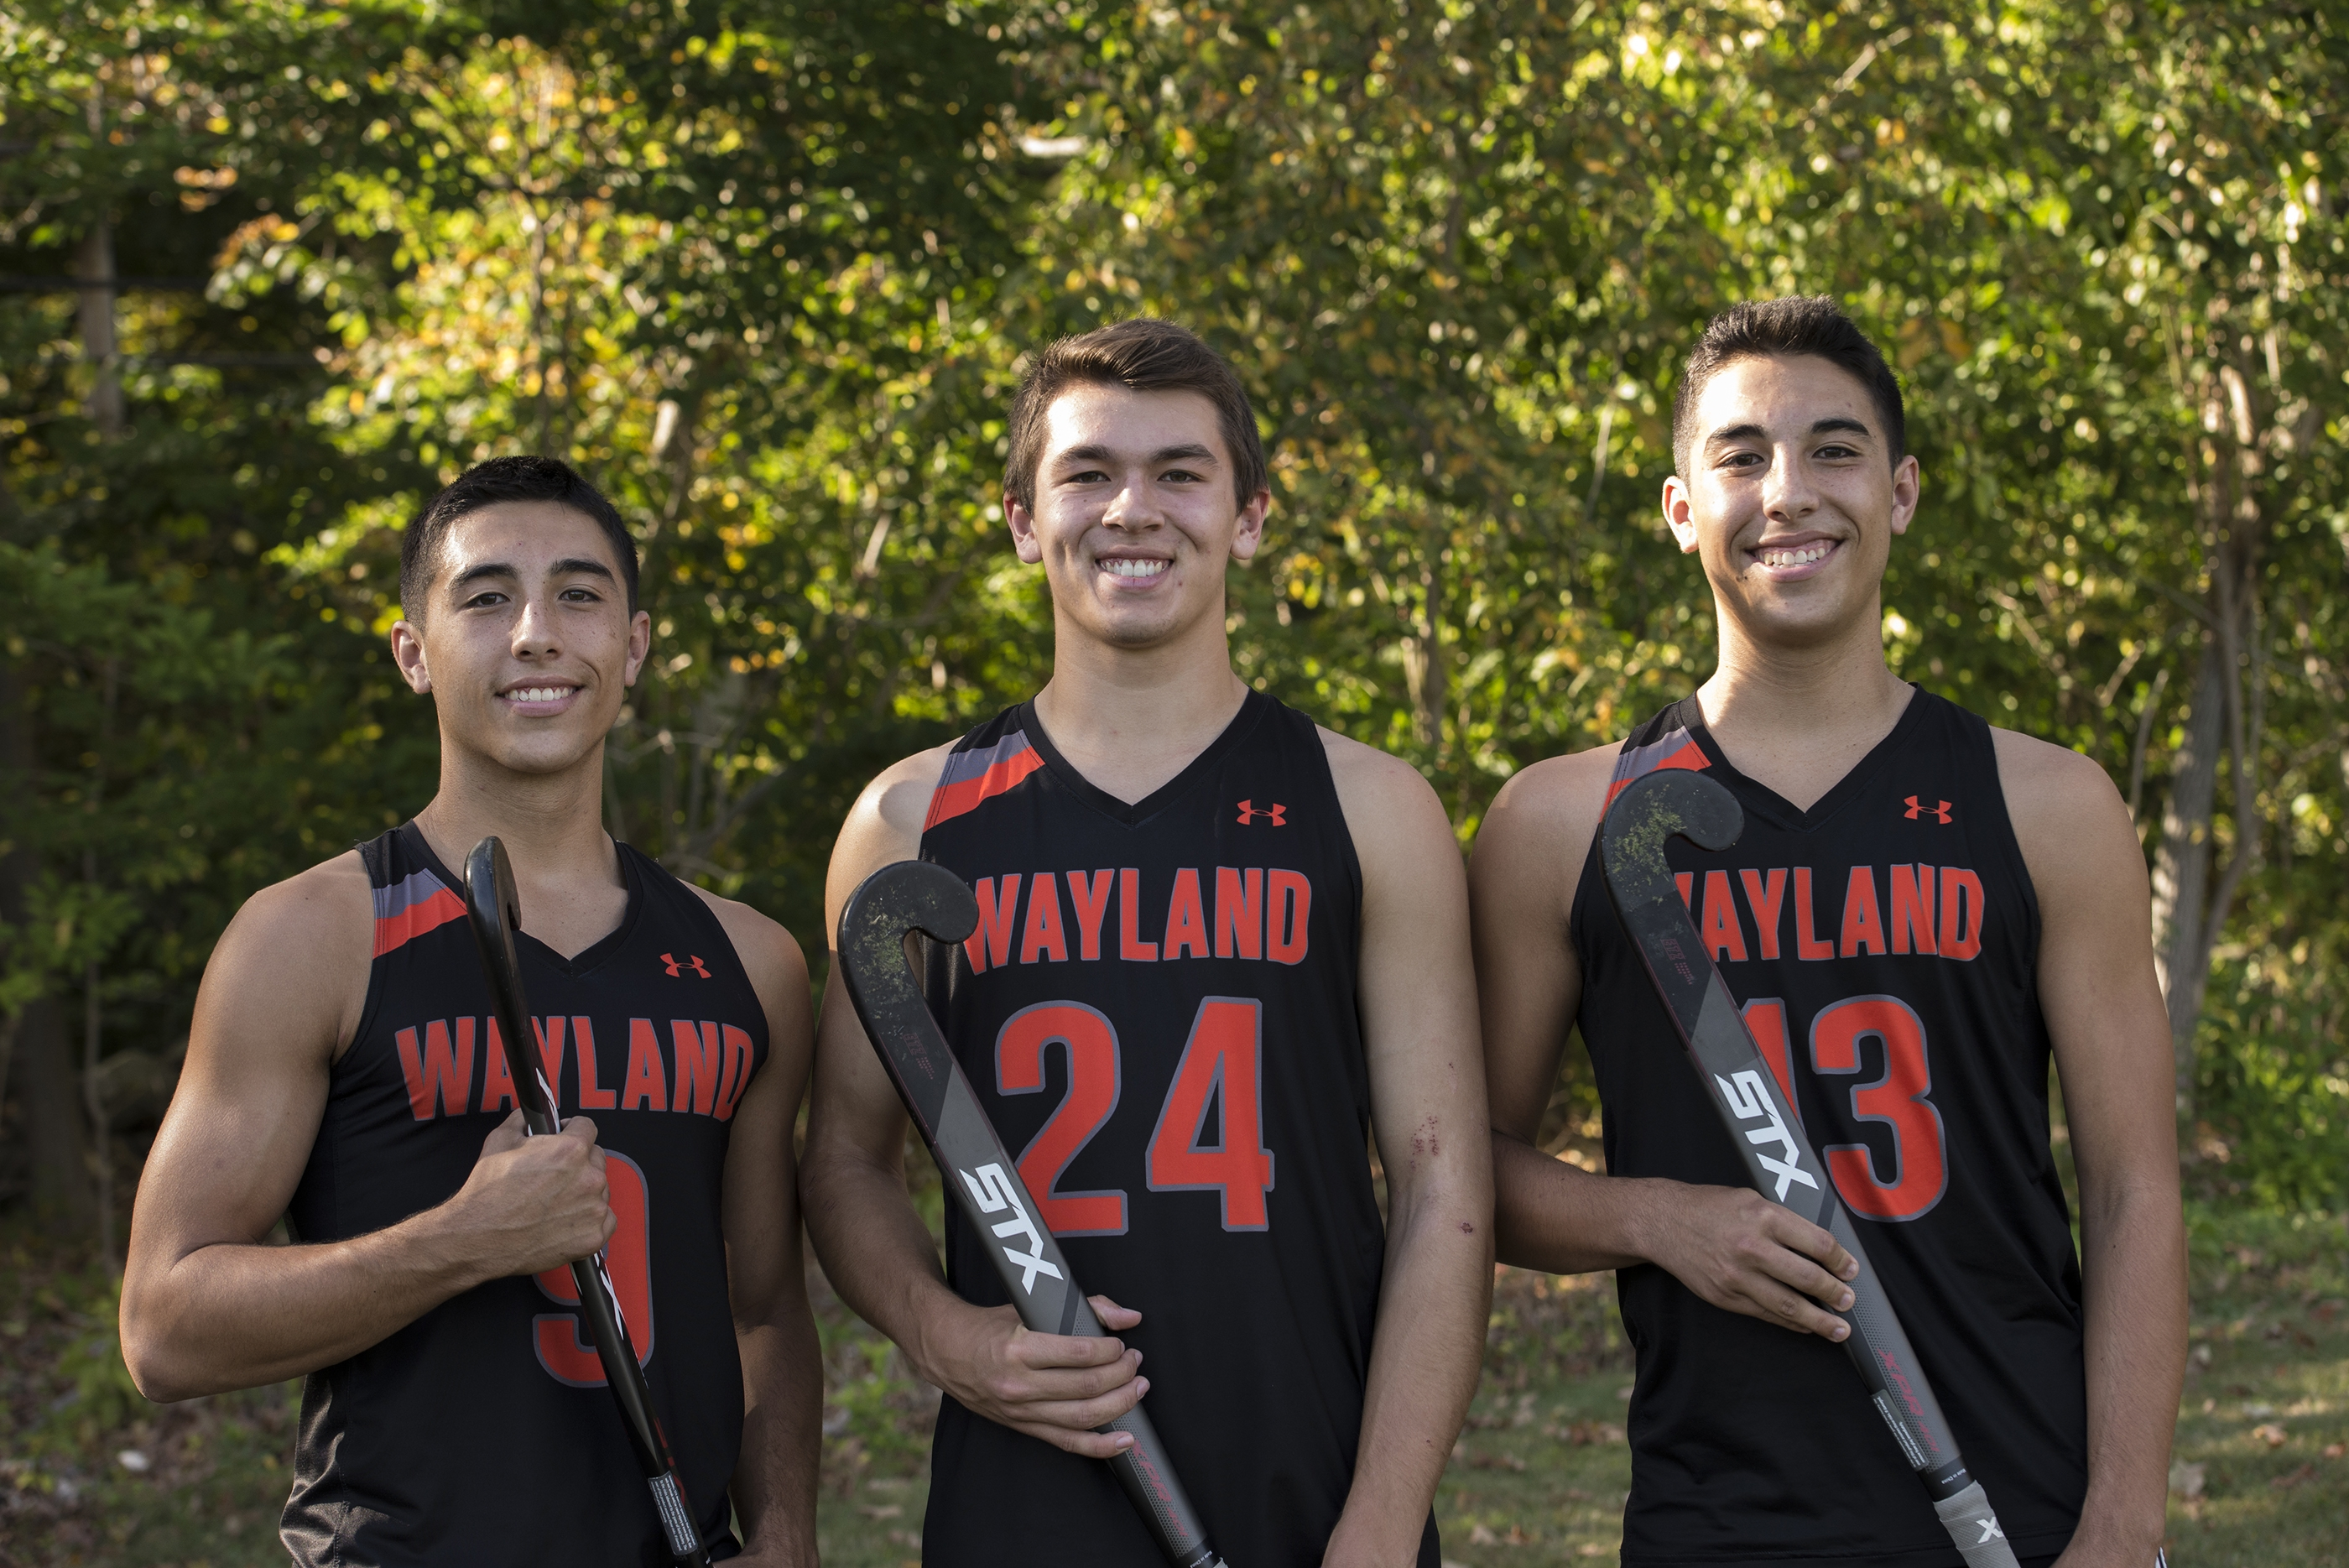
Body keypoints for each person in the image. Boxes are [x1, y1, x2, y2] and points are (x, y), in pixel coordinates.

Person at [1471, 297, 2185, 1568]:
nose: (1789, 492)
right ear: (1683, 507)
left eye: (1835, 450)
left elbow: (2134, 1190)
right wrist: (1659, 1220)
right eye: (1742, 456)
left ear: (1901, 492)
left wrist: (2123, 1525)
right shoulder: (1560, 822)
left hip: (2022, 1496)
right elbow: (1463, 1176)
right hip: (1715, 1514)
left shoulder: (2049, 805)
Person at [801, 318, 1492, 1566]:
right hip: (1024, 1503)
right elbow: (845, 1158)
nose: (1133, 509)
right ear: (1022, 518)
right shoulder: (909, 824)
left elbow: (1444, 1184)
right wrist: (942, 1336)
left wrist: (1384, 1523)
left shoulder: (1371, 809)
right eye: (1086, 474)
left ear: (1250, 516)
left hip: (1318, 1489)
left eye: (1181, 472)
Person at [120, 456, 820, 1566]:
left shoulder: (751, 960)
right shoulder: (311, 938)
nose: (537, 633)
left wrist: (783, 1539)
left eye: (580, 594)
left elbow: (767, 1313)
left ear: (632, 649)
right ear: (414, 653)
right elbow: (163, 1329)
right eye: (485, 597)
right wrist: (459, 1243)